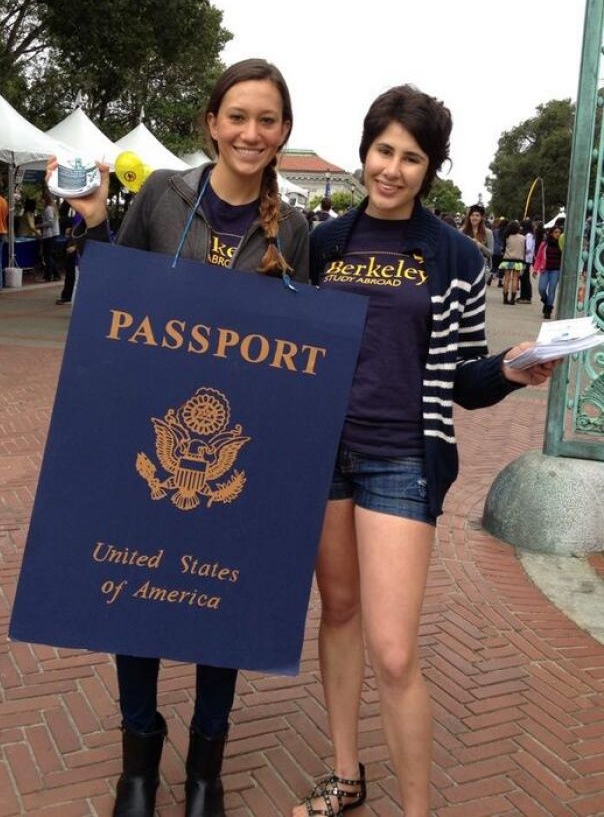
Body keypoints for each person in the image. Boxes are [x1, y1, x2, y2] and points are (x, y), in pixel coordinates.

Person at [296, 85, 558, 817]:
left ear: (431, 167)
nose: (393, 168)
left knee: (396, 650)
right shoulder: (325, 243)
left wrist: (512, 367)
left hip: (401, 459)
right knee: (339, 612)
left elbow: (465, 380)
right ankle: (345, 775)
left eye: (412, 157)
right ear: (364, 151)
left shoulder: (457, 255)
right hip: (324, 454)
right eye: (384, 150)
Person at [59, 58, 309, 817]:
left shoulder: (294, 228)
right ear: (211, 122)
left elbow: (300, 348)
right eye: (238, 116)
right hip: (148, 428)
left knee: (222, 602)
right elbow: (113, 295)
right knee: (131, 588)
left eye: (267, 120)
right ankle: (138, 758)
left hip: (242, 442)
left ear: (284, 132)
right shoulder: (167, 194)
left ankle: (206, 765)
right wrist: (97, 219)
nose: (251, 132)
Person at [533, 223, 562, 319]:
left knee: (552, 290)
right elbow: (539, 257)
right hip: (545, 269)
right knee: (541, 288)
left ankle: (548, 310)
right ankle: (546, 302)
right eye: (556, 232)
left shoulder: (562, 245)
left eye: (559, 232)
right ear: (551, 233)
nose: (557, 234)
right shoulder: (544, 244)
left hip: (556, 270)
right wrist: (535, 269)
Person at [459, 204, 493, 280]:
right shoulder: (461, 231)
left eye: (477, 215)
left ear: (481, 218)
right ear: (469, 217)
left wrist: (479, 244)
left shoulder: (488, 233)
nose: (474, 218)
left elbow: (490, 253)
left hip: (481, 268)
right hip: (464, 267)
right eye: (472, 215)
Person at [498, 220, 526, 305]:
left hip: (507, 260)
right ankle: (513, 299)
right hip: (518, 261)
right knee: (515, 279)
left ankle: (505, 299)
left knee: (506, 279)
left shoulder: (507, 237)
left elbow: (503, 248)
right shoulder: (523, 237)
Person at [38, 188, 61, 281]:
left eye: (42, 200)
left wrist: (40, 225)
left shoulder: (48, 209)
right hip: (53, 234)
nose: (41, 202)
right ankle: (55, 274)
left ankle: (48, 275)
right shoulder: (52, 208)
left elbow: (50, 222)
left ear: (45, 199)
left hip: (49, 235)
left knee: (47, 256)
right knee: (49, 255)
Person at [517, 217, 535, 303]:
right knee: (523, 277)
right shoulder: (529, 235)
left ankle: (526, 297)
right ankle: (523, 296)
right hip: (526, 258)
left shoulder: (528, 235)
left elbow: (528, 248)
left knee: (524, 278)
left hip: (525, 258)